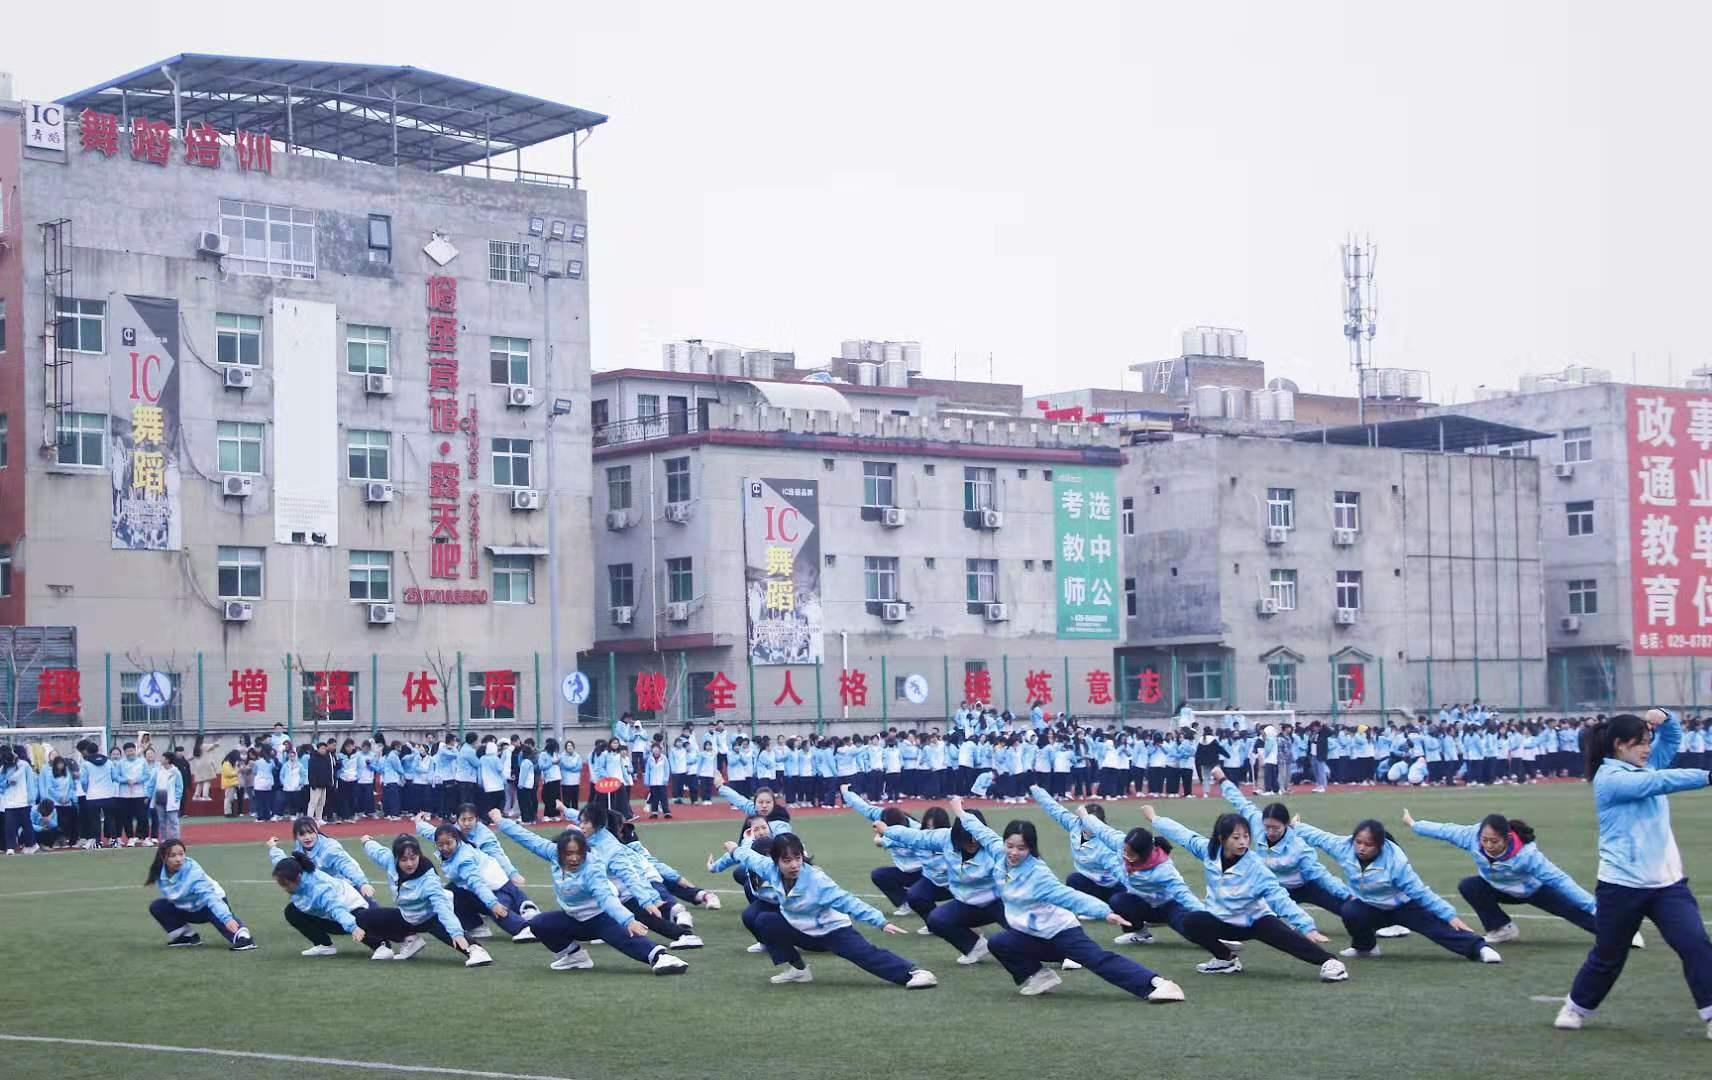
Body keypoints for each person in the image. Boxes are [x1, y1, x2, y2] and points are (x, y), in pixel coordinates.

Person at [1556, 710, 1712, 1037]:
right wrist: (1707, 776)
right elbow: (1657, 782)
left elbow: (1672, 739)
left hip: (1668, 884)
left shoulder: (1646, 764)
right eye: (1640, 743)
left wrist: (1665, 717)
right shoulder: (1610, 779)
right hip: (1621, 886)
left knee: (1696, 944)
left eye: (1648, 741)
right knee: (1609, 955)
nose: (1647, 748)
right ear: (1619, 744)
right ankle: (1576, 1006)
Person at [945, 796, 1185, 1001]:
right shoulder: (999, 853)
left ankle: (1156, 984)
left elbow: (1070, 897)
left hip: (1060, 932)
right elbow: (981, 831)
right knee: (999, 942)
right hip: (1031, 935)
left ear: (1031, 848)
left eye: (1021, 848)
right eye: (1010, 846)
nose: (1014, 852)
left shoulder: (1037, 874)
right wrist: (960, 812)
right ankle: (1040, 977)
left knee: (1097, 960)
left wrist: (1104, 912)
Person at [1140, 805, 1347, 981]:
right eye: (1236, 837)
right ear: (1222, 839)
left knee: (1290, 940)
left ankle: (1330, 962)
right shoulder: (1209, 852)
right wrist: (1155, 819)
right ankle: (1226, 959)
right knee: (1191, 921)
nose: (1243, 842)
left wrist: (1306, 926)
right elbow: (1183, 835)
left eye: (1246, 836)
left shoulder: (1255, 866)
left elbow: (1279, 896)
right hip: (1223, 921)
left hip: (1255, 921)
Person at [1403, 807, 1642, 948]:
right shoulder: (1471, 837)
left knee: (1571, 910)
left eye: (1494, 841)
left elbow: (1560, 880)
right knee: (1470, 886)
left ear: (1506, 838)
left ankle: (1621, 933)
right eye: (1485, 840)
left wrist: (1592, 906)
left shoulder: (1527, 855)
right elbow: (1444, 830)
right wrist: (1414, 825)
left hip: (1534, 890)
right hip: (1498, 888)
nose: (1488, 845)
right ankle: (1501, 929)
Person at [722, 832, 937, 988]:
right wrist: (735, 848)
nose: (794, 865)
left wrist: (880, 921)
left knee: (865, 954)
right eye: (787, 860)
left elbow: (848, 901)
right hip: (801, 931)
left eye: (797, 858)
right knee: (765, 920)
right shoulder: (768, 868)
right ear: (776, 861)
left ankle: (914, 973)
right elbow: (748, 856)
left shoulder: (817, 880)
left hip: (832, 931)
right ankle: (798, 971)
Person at [1291, 813, 1499, 964]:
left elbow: (1421, 892)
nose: (1361, 848)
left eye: (1368, 844)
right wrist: (1296, 826)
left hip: (1404, 906)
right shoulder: (1343, 847)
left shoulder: (1396, 863)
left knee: (1438, 929)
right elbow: (1319, 837)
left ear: (1380, 845)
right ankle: (1365, 948)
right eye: (1358, 842)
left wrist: (1450, 915)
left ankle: (1479, 948)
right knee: (1350, 910)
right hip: (1371, 906)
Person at [493, 815, 687, 974]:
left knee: (629, 942)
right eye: (568, 854)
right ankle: (574, 957)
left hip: (602, 917)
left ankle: (663, 957)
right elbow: (527, 838)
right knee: (539, 923)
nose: (574, 858)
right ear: (560, 852)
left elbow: (607, 899)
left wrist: (628, 921)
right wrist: (501, 821)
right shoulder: (553, 853)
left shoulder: (592, 869)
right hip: (574, 919)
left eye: (578, 853)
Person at [873, 803, 1006, 965]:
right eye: (966, 839)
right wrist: (887, 830)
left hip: (999, 901)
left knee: (1022, 934)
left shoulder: (996, 847)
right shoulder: (945, 837)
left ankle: (1032, 963)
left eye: (975, 838)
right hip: (966, 902)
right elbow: (914, 837)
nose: (971, 843)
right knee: (936, 919)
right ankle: (974, 947)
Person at [1215, 770, 1353, 917]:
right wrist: (1223, 780)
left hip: (1307, 885)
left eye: (1276, 828)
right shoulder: (1257, 823)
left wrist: (1347, 895)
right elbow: (1240, 802)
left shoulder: (1298, 846)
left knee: (1351, 911)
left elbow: (1321, 875)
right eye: (1267, 827)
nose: (1270, 832)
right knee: (1252, 917)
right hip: (1277, 890)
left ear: (1286, 824)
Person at [358, 832, 492, 967]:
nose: (409, 864)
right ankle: (410, 940)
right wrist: (367, 841)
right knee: (362, 917)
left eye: (413, 858)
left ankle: (476, 950)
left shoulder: (429, 879)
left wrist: (456, 933)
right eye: (403, 859)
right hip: (407, 916)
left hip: (431, 918)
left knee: (456, 937)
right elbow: (377, 851)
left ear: (419, 855)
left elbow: (442, 908)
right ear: (396, 858)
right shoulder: (389, 860)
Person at [418, 815, 539, 942]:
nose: (445, 848)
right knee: (451, 891)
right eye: (440, 845)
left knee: (496, 909)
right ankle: (476, 927)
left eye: (448, 843)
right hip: (498, 886)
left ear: (457, 839)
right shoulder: (449, 840)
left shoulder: (463, 860)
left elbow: (477, 884)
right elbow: (430, 832)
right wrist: (419, 823)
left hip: (495, 890)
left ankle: (525, 928)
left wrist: (493, 904)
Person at [267, 841, 384, 958]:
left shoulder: (319, 889)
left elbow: (336, 908)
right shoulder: (290, 870)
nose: (284, 888)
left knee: (358, 922)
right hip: (331, 916)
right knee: (292, 911)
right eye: (281, 884)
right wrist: (273, 847)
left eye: (286, 884)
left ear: (298, 877)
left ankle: (381, 946)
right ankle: (324, 945)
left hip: (350, 911)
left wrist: (353, 927)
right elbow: (279, 859)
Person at [145, 839, 255, 950]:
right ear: (163, 858)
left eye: (181, 854)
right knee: (158, 906)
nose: (178, 859)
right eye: (173, 856)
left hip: (209, 905)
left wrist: (227, 919)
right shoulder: (160, 872)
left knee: (226, 923)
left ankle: (244, 938)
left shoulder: (193, 873)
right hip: (188, 908)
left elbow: (210, 897)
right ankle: (187, 937)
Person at [841, 787, 923, 918]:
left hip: (924, 873)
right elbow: (862, 806)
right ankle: (904, 903)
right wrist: (846, 793)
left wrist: (880, 838)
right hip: (903, 870)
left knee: (923, 893)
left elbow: (881, 842)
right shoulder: (881, 816)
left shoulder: (916, 832)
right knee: (879, 875)